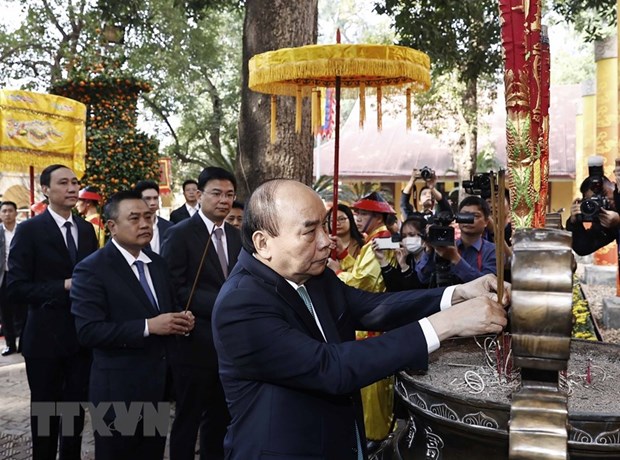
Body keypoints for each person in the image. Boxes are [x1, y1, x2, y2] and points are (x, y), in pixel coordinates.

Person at [211, 179, 509, 460]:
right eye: (309, 231)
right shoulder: (240, 304)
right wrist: (447, 323)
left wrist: (458, 294)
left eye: (325, 227)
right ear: (263, 243)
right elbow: (330, 368)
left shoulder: (314, 277)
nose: (327, 241)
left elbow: (372, 308)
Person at [70, 190, 195, 459]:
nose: (145, 224)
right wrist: (149, 326)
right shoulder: (91, 269)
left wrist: (179, 319)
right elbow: (89, 331)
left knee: (151, 453)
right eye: (135, 218)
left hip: (157, 386)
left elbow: (165, 311)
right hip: (118, 391)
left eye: (149, 217)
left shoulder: (158, 264)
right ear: (112, 226)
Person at [7, 164, 98, 460]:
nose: (72, 188)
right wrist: (64, 285)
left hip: (80, 338)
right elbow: (17, 287)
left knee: (73, 413)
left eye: (75, 182)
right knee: (46, 416)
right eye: (63, 183)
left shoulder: (86, 230)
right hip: (43, 338)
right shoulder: (29, 230)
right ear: (46, 190)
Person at [161, 166, 242, 460]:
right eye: (217, 193)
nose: (224, 200)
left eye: (230, 195)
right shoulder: (180, 233)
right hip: (194, 343)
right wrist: (224, 301)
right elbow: (174, 287)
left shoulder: (237, 236)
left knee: (220, 419)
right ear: (199, 194)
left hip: (229, 347)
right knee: (188, 418)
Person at [416, 196, 497, 287]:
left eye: (475, 216)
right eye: (464, 215)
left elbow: (488, 285)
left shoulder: (492, 251)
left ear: (486, 221)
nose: (468, 220)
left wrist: (455, 259)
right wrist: (429, 250)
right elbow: (423, 278)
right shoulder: (446, 246)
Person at [566, 175, 620, 255]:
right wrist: (575, 223)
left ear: (613, 184)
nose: (606, 199)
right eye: (596, 200)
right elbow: (584, 248)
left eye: (605, 193)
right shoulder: (604, 218)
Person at [372, 214, 427, 291]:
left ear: (424, 236)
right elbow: (396, 289)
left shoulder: (433, 259)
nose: (407, 239)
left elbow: (420, 291)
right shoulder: (405, 258)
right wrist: (383, 261)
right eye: (404, 236)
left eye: (412, 235)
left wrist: (405, 268)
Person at [0, 201, 25, 356]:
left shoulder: (23, 230)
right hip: (3, 276)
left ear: (16, 213)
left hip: (21, 276)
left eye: (10, 211)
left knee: (23, 310)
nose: (7, 214)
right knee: (5, 312)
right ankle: (10, 345)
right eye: (4, 211)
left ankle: (24, 342)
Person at [134, 180, 173, 254]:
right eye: (147, 199)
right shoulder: (131, 227)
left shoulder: (169, 227)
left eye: (155, 198)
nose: (153, 203)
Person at [325, 203, 365, 272]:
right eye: (332, 220)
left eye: (341, 219)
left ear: (350, 220)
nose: (337, 223)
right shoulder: (325, 244)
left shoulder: (362, 245)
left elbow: (360, 274)